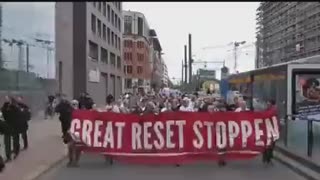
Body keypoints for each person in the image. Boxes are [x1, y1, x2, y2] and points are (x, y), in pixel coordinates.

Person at [2, 96, 21, 161]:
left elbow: (18, 115)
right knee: (7, 142)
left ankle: (16, 152)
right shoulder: (5, 107)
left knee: (15, 139)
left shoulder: (15, 107)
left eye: (8, 100)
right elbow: (3, 113)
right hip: (7, 126)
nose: (7, 101)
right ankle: (8, 156)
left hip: (14, 126)